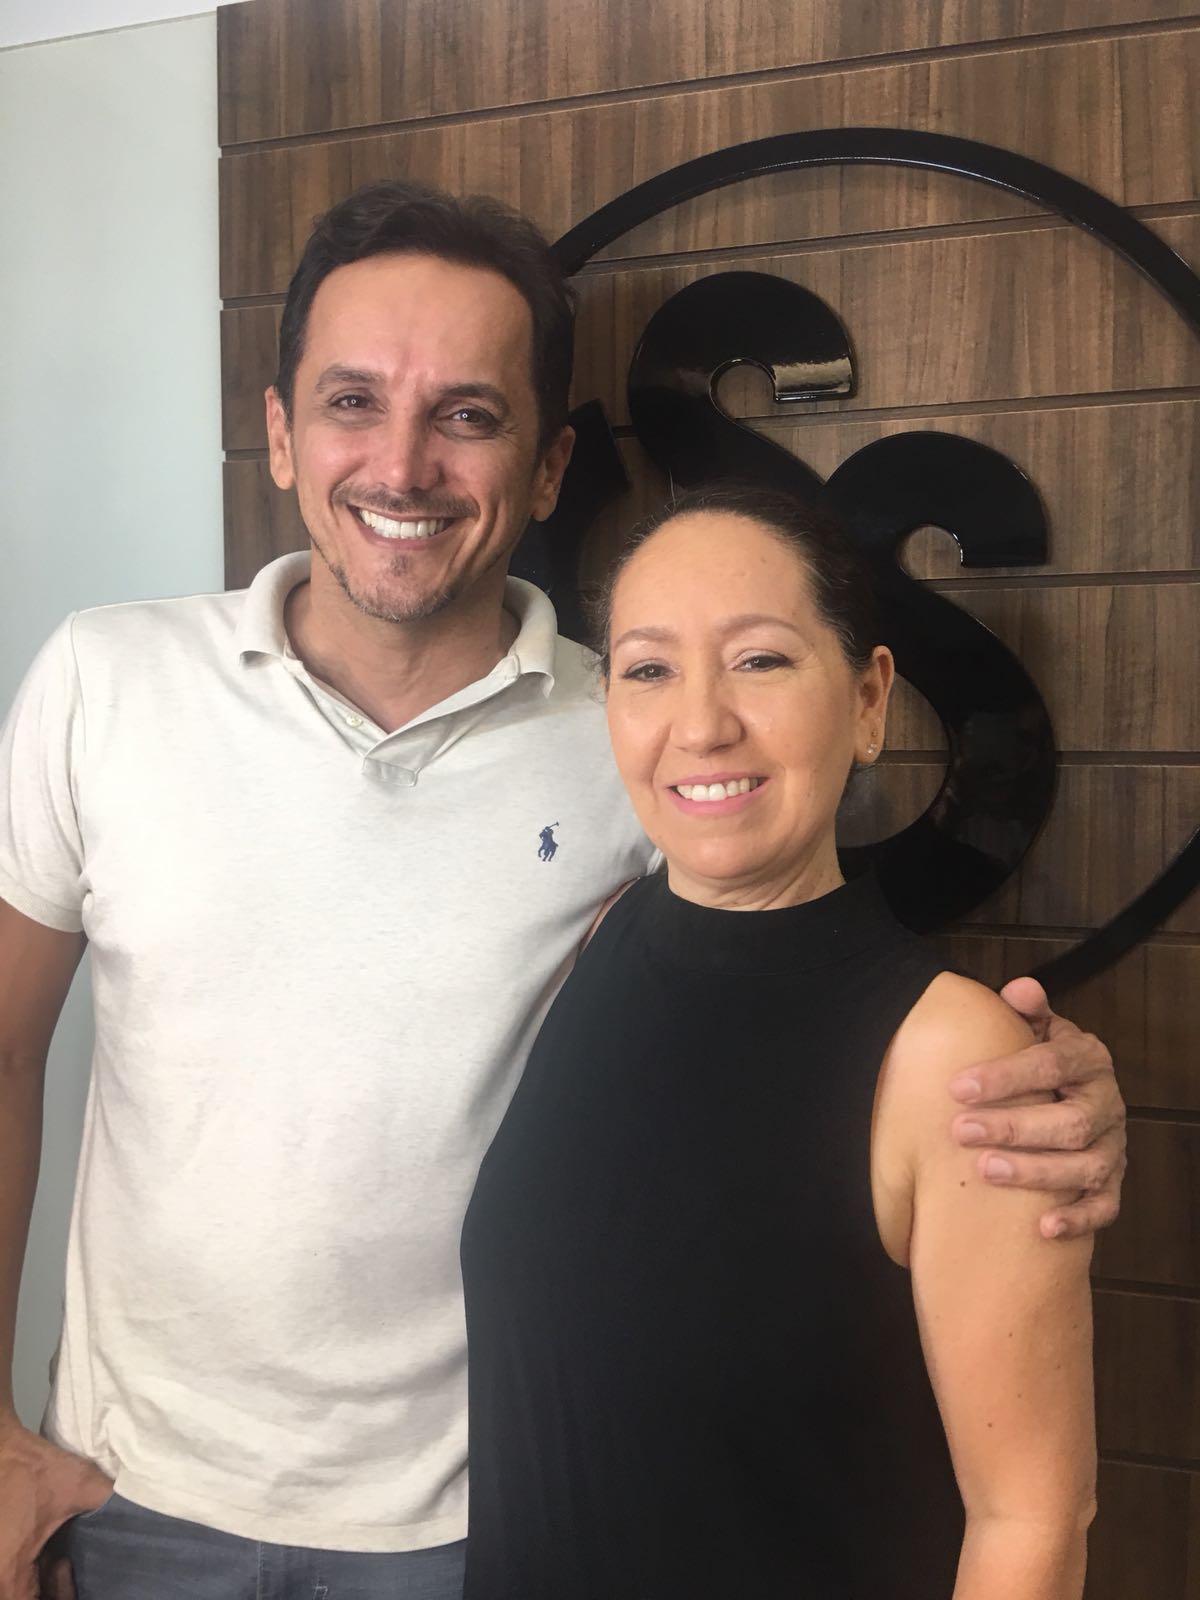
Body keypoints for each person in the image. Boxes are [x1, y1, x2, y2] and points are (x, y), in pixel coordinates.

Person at [0, 182, 1120, 1600]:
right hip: (136, 1498)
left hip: (477, 1528)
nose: (402, 464)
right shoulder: (104, 682)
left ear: (546, 468)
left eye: (467, 414)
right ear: (280, 432)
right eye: (352, 402)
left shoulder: (636, 742)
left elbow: (800, 1023)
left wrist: (1044, 1100)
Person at [461, 483, 1097, 1599]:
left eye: (759, 660)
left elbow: (1033, 1520)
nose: (702, 723)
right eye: (648, 670)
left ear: (868, 701)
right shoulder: (602, 940)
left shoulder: (955, 1056)